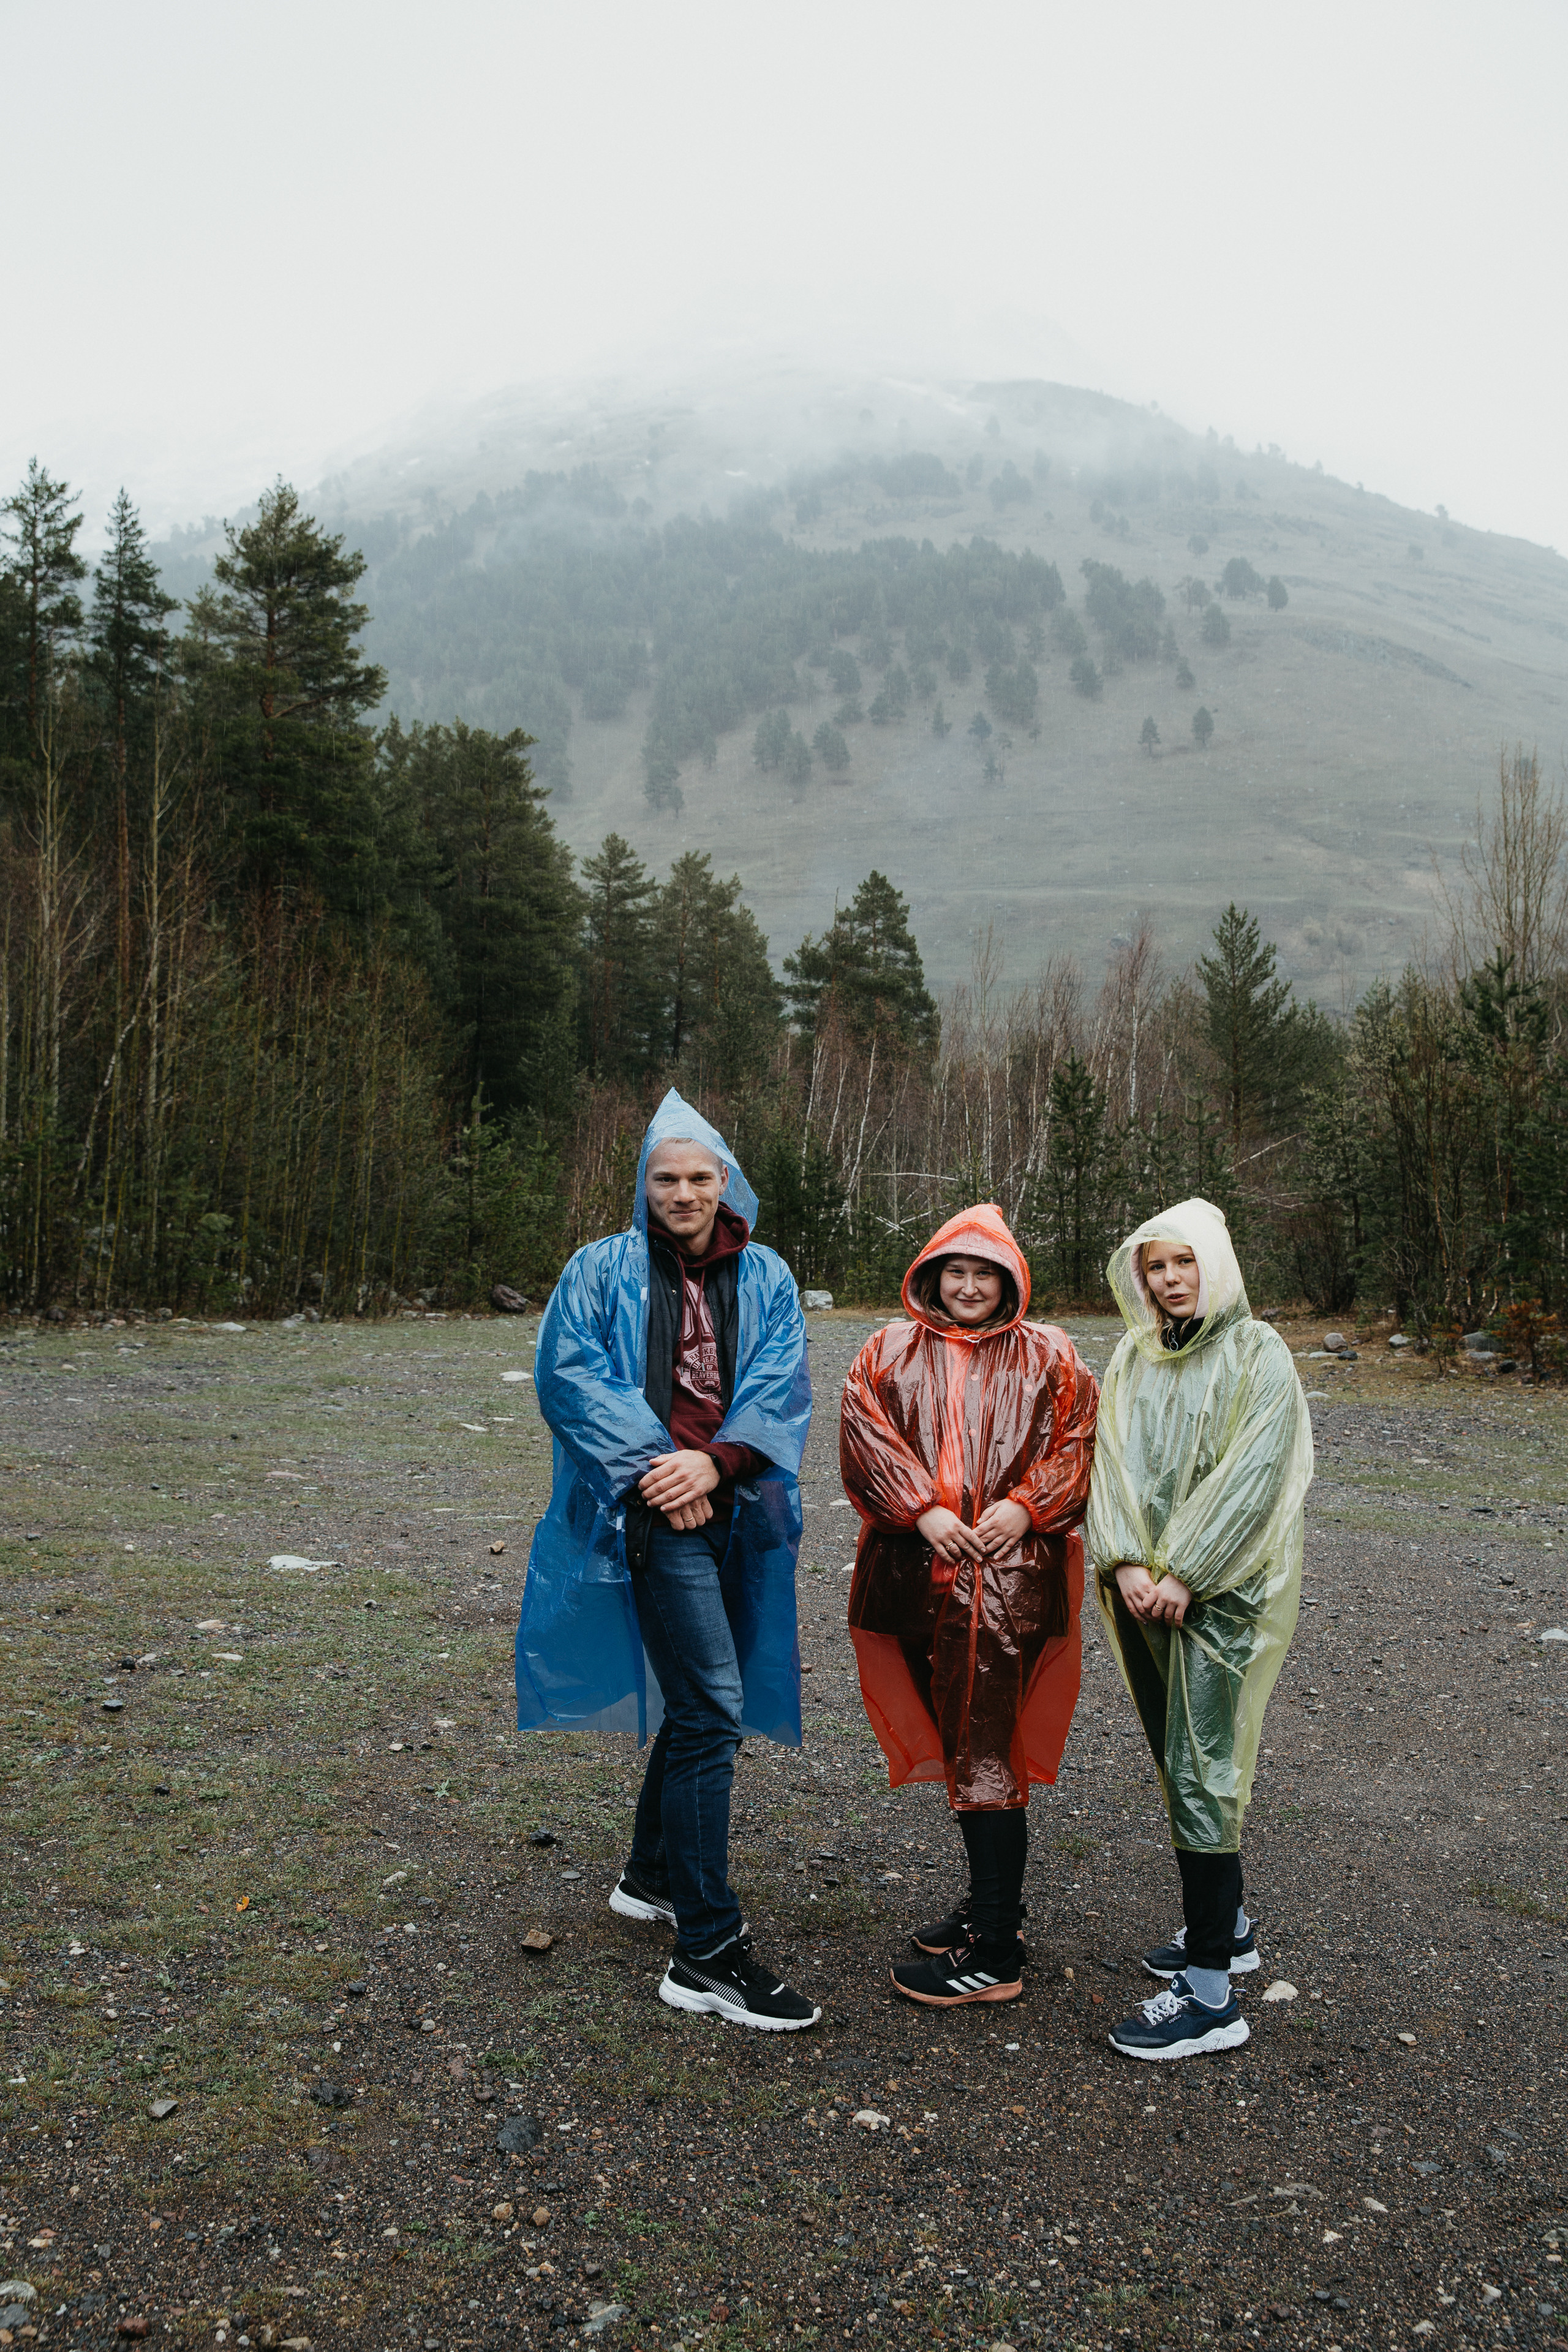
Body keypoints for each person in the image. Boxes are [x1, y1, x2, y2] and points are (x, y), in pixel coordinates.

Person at [514, 1089, 818, 2031]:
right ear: (642, 1185)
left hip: (735, 1509)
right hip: (652, 1513)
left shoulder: (764, 1273)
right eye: (665, 1177)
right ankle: (707, 1950)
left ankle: (652, 1875)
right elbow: (569, 1375)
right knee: (712, 1712)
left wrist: (717, 1464)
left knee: (698, 1704)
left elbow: (781, 1378)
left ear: (725, 1182)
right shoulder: (600, 1269)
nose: (682, 1193)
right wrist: (662, 1471)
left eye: (698, 1177)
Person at [840, 1204, 1099, 2005]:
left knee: (987, 1753)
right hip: (920, 1580)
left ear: (1011, 1281)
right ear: (931, 1275)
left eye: (986, 1273)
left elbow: (1078, 1440)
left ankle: (994, 1953)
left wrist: (1026, 1506)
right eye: (957, 1270)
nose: (969, 1286)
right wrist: (925, 1510)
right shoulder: (887, 1349)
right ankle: (995, 1911)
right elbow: (865, 1434)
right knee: (964, 1745)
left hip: (1010, 1586)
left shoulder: (1050, 1353)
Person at [1086, 1198, 1313, 2061]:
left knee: (1205, 1768)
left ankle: (1213, 1996)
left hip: (1223, 1596)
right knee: (1179, 1753)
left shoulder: (1258, 1352)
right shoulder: (1135, 1356)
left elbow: (1257, 1475)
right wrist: (1126, 1562)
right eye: (1156, 1266)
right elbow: (1111, 1460)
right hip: (1144, 1592)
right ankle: (1232, 1928)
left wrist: (1188, 1569)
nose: (1171, 1279)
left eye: (1185, 1263)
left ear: (1213, 1266)